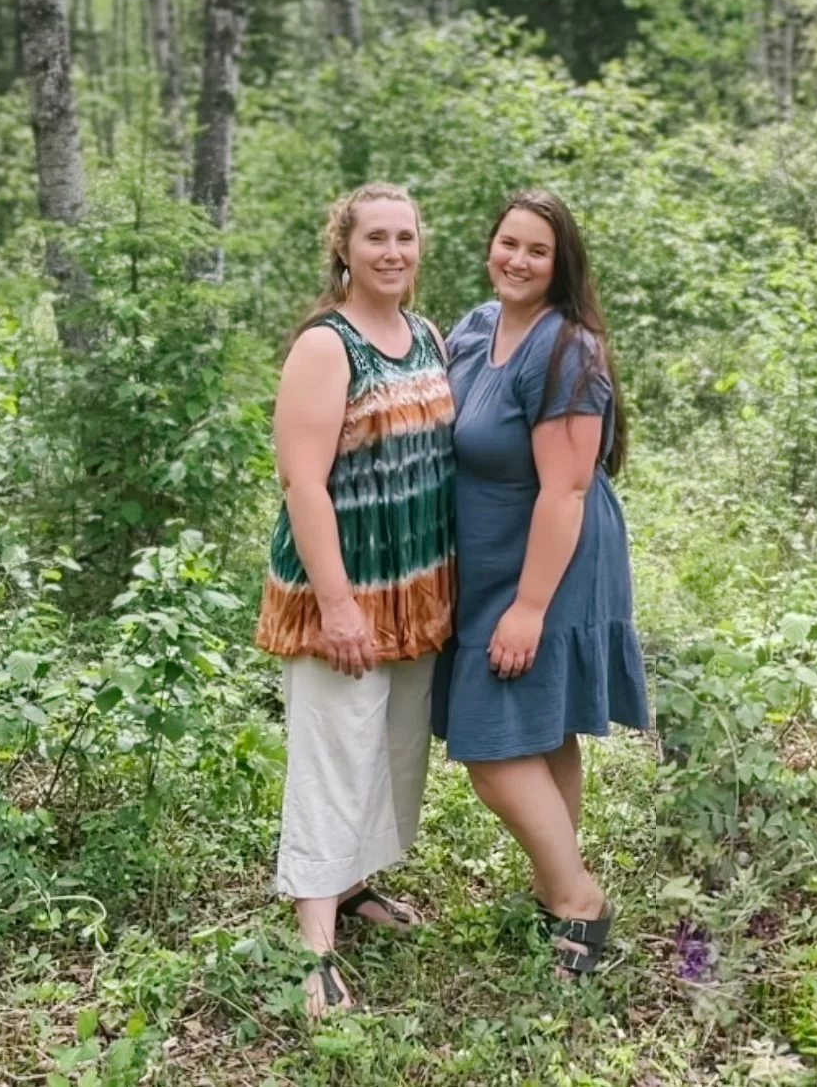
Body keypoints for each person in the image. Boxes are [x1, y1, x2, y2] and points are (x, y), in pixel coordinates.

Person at [432, 188, 650, 977]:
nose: (516, 260)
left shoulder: (566, 350)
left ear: (561, 266)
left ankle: (578, 901)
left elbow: (567, 490)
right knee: (544, 727)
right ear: (489, 245)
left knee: (490, 745)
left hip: (550, 565)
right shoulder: (475, 328)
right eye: (508, 244)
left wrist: (527, 608)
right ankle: (552, 887)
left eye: (537, 251)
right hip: (490, 559)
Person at [255, 182, 456, 1016]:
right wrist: (336, 605)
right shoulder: (326, 346)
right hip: (341, 586)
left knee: (391, 750)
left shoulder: (427, 335)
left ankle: (354, 886)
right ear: (345, 247)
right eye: (375, 237)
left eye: (405, 237)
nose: (392, 252)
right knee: (334, 752)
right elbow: (303, 481)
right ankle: (314, 948)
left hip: (414, 585)